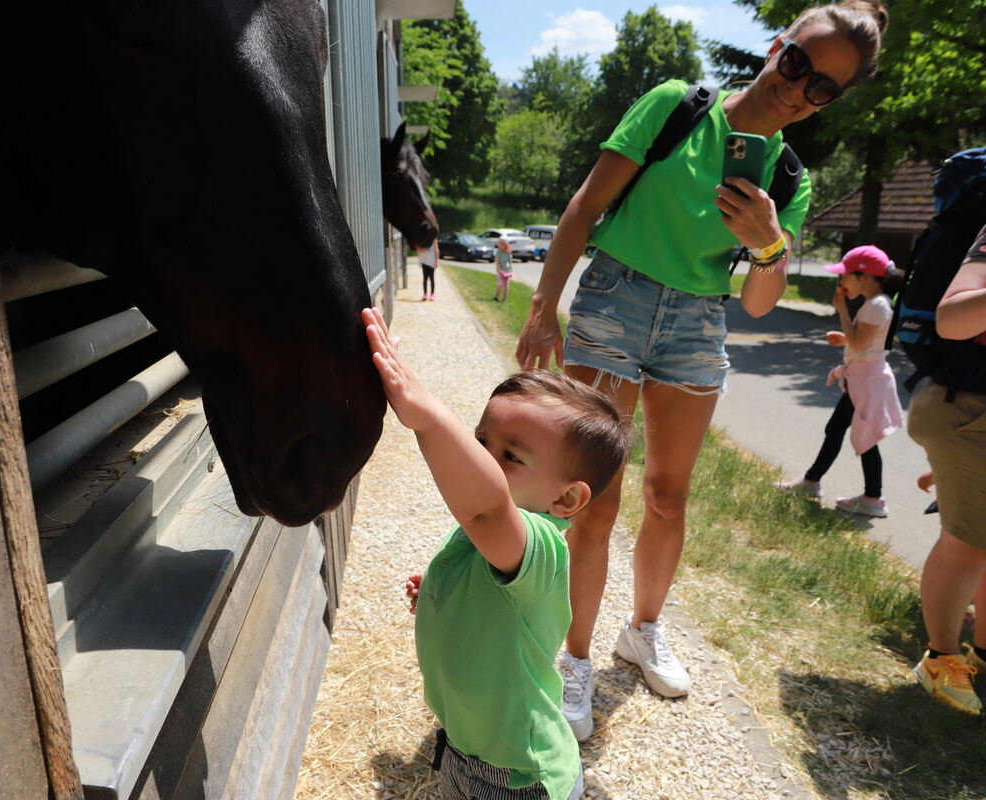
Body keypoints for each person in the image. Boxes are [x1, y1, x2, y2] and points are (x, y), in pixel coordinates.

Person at [513, 0, 888, 737]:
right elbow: (587, 205)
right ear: (779, 45)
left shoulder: (787, 177)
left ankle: (642, 630)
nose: (800, 88)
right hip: (616, 300)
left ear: (828, 104)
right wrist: (542, 305)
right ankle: (575, 660)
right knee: (592, 498)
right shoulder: (676, 107)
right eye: (798, 63)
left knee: (668, 497)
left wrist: (770, 243)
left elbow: (755, 303)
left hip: (697, 320)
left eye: (822, 89)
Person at [362, 307, 628, 800]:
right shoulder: (485, 536)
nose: (482, 456)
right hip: (467, 748)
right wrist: (445, 595)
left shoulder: (543, 547)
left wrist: (427, 416)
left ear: (566, 500)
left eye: (510, 455)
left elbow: (486, 507)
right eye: (480, 439)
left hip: (519, 773)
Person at [909, 223, 986, 716]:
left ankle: (980, 653)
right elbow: (953, 319)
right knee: (969, 542)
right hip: (970, 410)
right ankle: (940, 659)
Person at [775, 245, 904, 516]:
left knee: (861, 437)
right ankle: (818, 483)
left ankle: (872, 499)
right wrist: (846, 338)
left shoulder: (876, 306)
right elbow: (868, 342)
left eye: (845, 276)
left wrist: (842, 310)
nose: (841, 281)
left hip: (867, 382)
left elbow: (859, 342)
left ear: (865, 277)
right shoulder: (877, 304)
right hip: (865, 379)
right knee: (840, 431)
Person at [494, 237, 514, 302]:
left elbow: (510, 261)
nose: (499, 245)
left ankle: (504, 299)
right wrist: (500, 270)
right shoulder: (498, 251)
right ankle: (496, 297)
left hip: (506, 270)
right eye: (499, 244)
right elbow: (497, 262)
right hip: (500, 270)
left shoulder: (508, 251)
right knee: (499, 283)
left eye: (501, 244)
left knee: (506, 284)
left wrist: (510, 269)